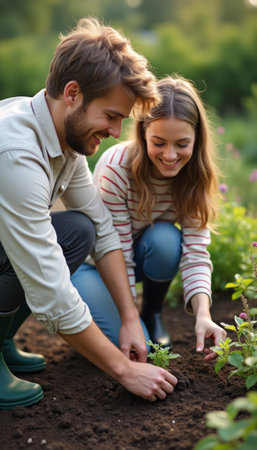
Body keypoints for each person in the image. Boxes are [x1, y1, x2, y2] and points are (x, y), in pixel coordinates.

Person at [0, 18, 178, 410]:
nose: (117, 132)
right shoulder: (16, 153)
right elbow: (49, 288)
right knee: (36, 251)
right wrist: (123, 370)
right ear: (73, 93)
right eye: (111, 116)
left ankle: (2, 341)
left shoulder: (64, 137)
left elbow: (100, 226)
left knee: (77, 230)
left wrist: (130, 316)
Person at [71, 75, 227, 356]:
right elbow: (116, 251)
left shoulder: (195, 176)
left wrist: (203, 314)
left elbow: (195, 252)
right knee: (140, 349)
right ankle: (115, 317)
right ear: (143, 133)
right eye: (159, 142)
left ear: (196, 139)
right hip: (93, 265)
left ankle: (151, 313)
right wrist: (128, 322)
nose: (170, 155)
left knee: (166, 239)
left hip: (140, 256)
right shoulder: (117, 169)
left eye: (181, 144)